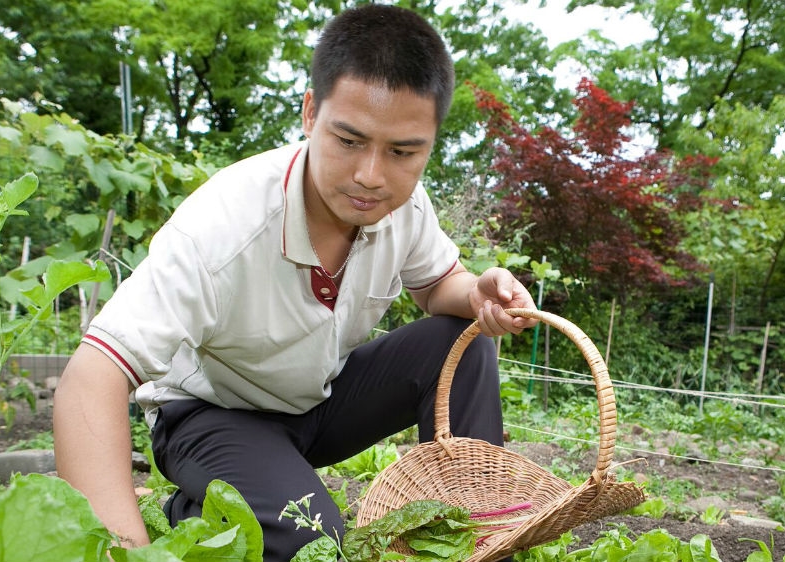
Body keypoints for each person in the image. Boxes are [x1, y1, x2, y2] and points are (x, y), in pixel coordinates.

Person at [53, 4, 538, 560]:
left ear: (430, 142)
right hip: (212, 415)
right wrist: (121, 549)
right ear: (311, 113)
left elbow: (437, 284)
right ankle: (202, 510)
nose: (370, 176)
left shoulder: (405, 206)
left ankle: (475, 531)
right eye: (349, 140)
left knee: (465, 337)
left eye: (403, 151)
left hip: (317, 403)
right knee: (312, 538)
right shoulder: (222, 225)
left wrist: (475, 292)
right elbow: (91, 376)